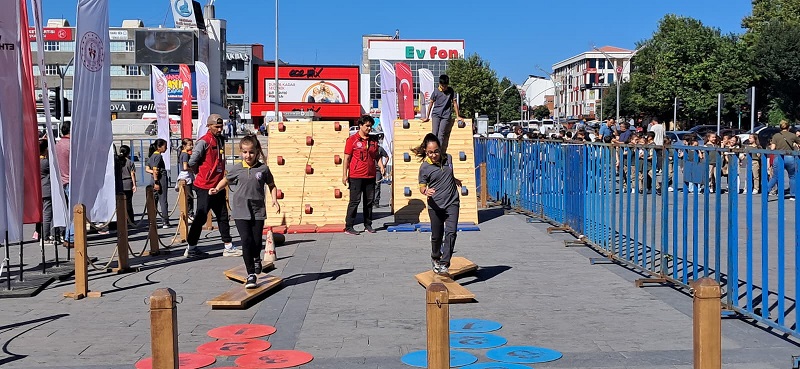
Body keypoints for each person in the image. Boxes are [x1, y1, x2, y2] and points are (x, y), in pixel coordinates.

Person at [210, 135, 280, 288]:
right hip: (241, 210)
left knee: (256, 242)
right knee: (246, 240)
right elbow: (227, 180)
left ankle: (256, 258)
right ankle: (251, 274)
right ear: (241, 152)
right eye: (245, 152)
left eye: (251, 152)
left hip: (258, 210)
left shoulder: (263, 169)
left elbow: (272, 185)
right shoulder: (237, 168)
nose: (248, 156)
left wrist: (274, 200)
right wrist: (217, 188)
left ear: (257, 152)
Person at [185, 114, 238, 257]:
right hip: (204, 185)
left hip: (218, 185)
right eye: (217, 127)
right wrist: (200, 173)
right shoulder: (204, 142)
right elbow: (192, 161)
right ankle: (191, 247)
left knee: (222, 215)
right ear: (209, 126)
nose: (220, 129)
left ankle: (228, 245)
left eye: (221, 126)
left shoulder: (220, 140)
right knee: (201, 216)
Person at [413, 133, 461, 275]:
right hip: (435, 205)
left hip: (452, 202)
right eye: (430, 152)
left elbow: (448, 173)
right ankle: (435, 257)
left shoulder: (449, 158)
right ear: (426, 152)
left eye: (436, 151)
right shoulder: (425, 167)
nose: (434, 155)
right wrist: (425, 191)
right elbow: (421, 186)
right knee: (436, 236)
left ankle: (444, 262)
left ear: (440, 149)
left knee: (451, 232)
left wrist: (455, 180)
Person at [342, 115, 385, 235]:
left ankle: (368, 225)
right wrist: (344, 175)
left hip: (370, 175)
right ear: (360, 125)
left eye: (370, 126)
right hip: (356, 175)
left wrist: (381, 165)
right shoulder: (352, 140)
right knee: (354, 201)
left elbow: (376, 155)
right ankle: (349, 226)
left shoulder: (373, 141)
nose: (369, 128)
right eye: (367, 126)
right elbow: (346, 158)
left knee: (369, 202)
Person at [422, 74, 463, 153]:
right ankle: (431, 151)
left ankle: (438, 153)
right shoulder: (436, 91)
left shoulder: (450, 91)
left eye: (445, 86)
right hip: (436, 115)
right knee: (434, 133)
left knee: (441, 135)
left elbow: (454, 103)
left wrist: (458, 116)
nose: (444, 88)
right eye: (442, 86)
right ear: (440, 84)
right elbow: (430, 104)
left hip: (446, 116)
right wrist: (427, 117)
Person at [766, 120, 800, 200]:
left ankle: (767, 190)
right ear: (789, 127)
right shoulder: (792, 135)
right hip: (790, 157)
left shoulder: (776, 136)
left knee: (775, 177)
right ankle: (793, 195)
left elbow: (772, 148)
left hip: (778, 157)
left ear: (780, 127)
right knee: (792, 176)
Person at [146, 139, 171, 228]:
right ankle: (165, 221)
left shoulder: (152, 156)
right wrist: (157, 181)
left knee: (154, 201)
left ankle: (152, 221)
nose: (166, 148)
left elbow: (147, 169)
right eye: (165, 146)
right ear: (159, 147)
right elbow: (155, 169)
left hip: (152, 179)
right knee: (163, 200)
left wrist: (153, 174)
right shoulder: (158, 157)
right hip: (160, 179)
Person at [55, 122, 72, 248]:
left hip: (62, 180)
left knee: (68, 211)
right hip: (71, 181)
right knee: (76, 211)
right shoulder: (71, 145)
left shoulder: (58, 144)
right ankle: (70, 237)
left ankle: (67, 236)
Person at [36, 139, 53, 243]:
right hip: (47, 188)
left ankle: (39, 233)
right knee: (47, 214)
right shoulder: (45, 162)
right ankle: (45, 236)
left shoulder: (37, 160)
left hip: (40, 188)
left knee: (43, 213)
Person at [117, 145, 137, 223]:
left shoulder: (117, 161)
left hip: (119, 183)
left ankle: (121, 219)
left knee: (119, 203)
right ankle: (130, 219)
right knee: (128, 203)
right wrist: (134, 185)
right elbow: (132, 174)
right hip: (128, 183)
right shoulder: (130, 162)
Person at [176, 138, 195, 220]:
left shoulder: (182, 154)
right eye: (189, 145)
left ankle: (188, 213)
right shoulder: (185, 155)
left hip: (184, 175)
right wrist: (192, 170)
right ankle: (189, 213)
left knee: (187, 195)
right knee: (189, 196)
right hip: (186, 175)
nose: (191, 146)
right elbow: (185, 167)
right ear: (184, 146)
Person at [373, 133, 389, 208]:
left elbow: (387, 157)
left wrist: (384, 165)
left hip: (378, 170)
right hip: (370, 169)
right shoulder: (370, 148)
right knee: (370, 186)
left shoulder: (380, 149)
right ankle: (371, 201)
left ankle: (376, 201)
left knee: (377, 185)